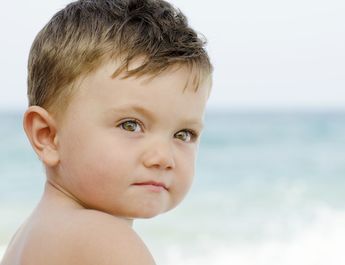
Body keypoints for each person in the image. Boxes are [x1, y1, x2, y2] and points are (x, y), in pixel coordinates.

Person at [0, 0, 212, 264]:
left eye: (183, 134)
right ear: (47, 136)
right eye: (130, 125)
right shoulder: (105, 239)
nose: (162, 158)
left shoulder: (30, 238)